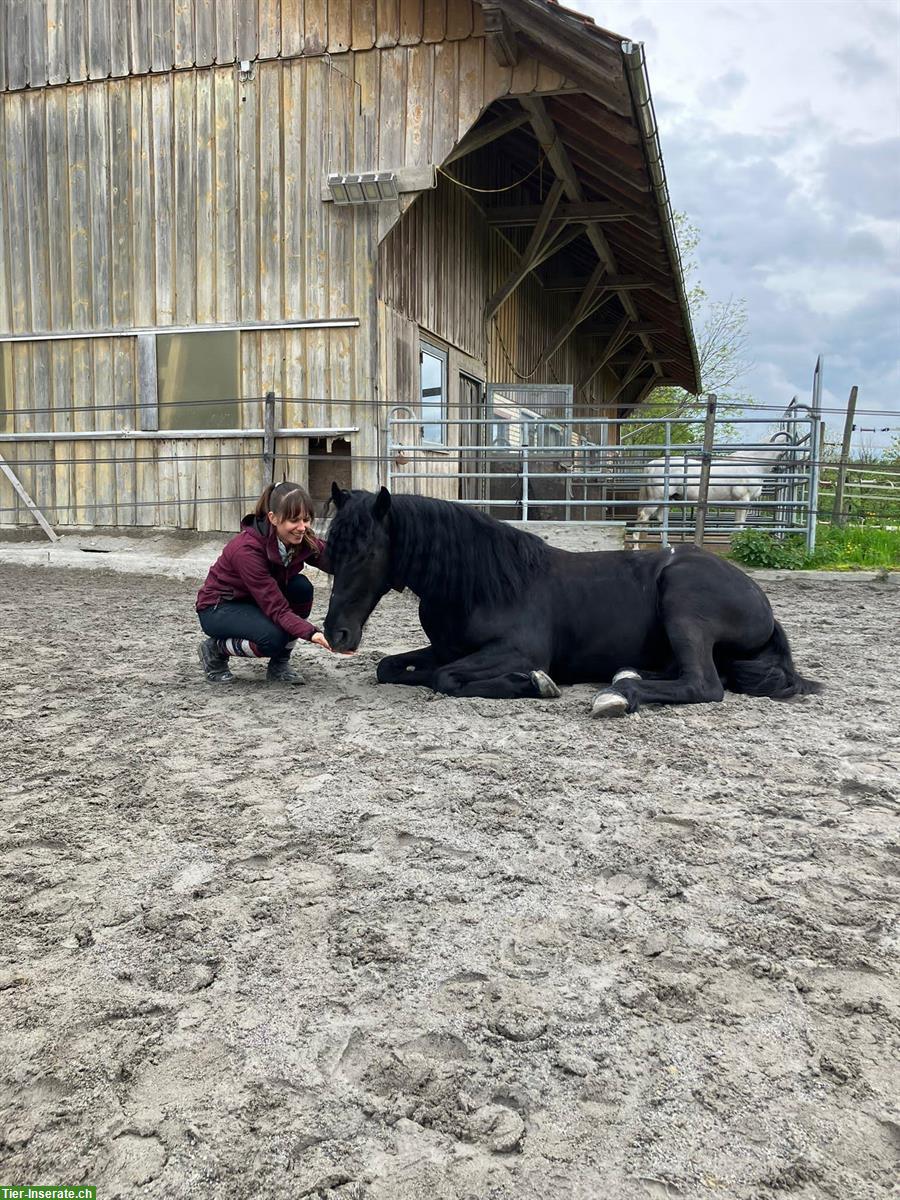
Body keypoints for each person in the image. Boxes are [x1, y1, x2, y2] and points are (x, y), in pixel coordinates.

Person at [195, 481, 344, 684]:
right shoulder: (246, 550)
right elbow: (278, 609)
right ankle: (215, 649)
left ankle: (279, 665)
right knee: (273, 639)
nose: (302, 528)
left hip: (256, 600)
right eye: (294, 520)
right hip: (219, 607)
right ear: (273, 518)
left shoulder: (300, 539)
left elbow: (337, 561)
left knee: (301, 588)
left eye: (306, 519)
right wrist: (314, 634)